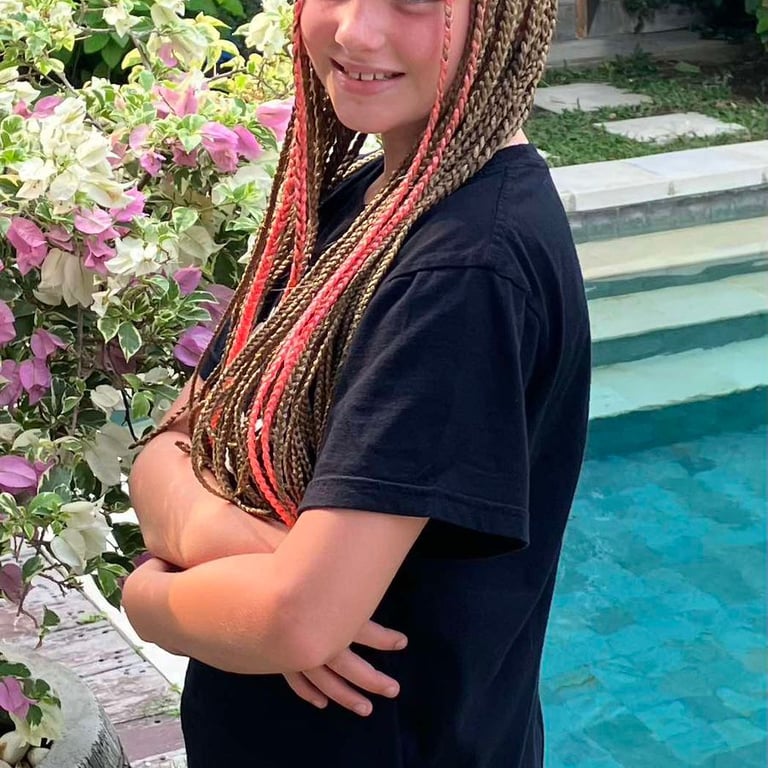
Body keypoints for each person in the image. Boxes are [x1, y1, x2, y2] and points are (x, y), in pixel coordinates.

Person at [123, 0, 591, 765]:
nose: (355, 31)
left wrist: (148, 597)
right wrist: (245, 553)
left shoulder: (463, 273)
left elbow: (295, 620)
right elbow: (167, 448)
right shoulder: (370, 196)